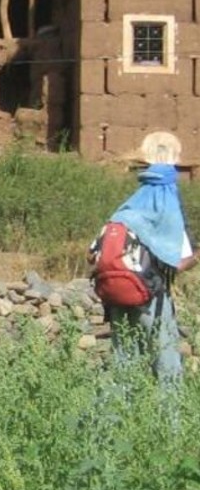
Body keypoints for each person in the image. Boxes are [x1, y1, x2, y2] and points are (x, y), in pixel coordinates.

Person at [94, 133, 195, 383]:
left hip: (116, 295)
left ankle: (116, 408)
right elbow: (178, 262)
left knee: (123, 363)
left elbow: (91, 253)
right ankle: (169, 410)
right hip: (151, 295)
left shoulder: (127, 209)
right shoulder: (166, 205)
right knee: (167, 362)